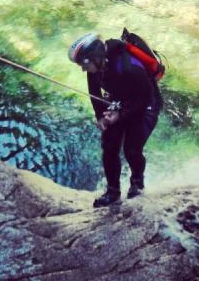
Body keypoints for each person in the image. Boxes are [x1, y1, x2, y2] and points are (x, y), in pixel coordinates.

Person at [68, 32, 163, 207]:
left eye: (84, 64)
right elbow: (94, 93)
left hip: (146, 103)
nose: (83, 68)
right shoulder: (96, 68)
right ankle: (113, 191)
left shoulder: (129, 68)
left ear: (95, 57)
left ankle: (137, 184)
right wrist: (101, 117)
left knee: (131, 150)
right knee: (109, 147)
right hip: (121, 99)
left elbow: (144, 99)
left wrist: (121, 114)